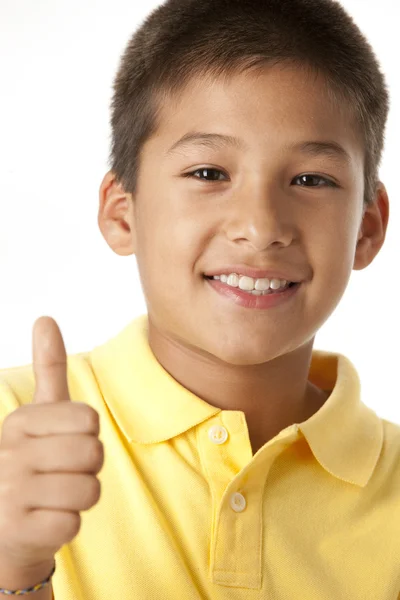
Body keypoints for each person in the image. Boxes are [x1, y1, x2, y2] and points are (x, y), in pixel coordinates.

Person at [0, 0, 397, 598]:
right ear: (121, 212)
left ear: (366, 229)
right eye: (209, 173)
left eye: (311, 180)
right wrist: (14, 569)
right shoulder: (14, 429)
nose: (261, 226)